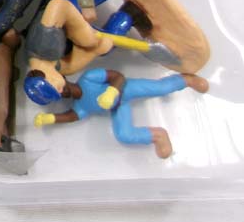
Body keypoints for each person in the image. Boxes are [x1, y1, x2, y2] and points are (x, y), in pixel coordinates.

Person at [27, 67, 209, 159]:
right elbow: (73, 116)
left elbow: (118, 77)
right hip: (118, 107)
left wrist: (112, 91)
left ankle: (186, 80)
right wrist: (51, 118)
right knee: (124, 135)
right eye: (56, 94)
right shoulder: (81, 105)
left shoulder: (89, 78)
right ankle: (158, 135)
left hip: (125, 89)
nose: (61, 92)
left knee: (160, 88)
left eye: (57, 88)